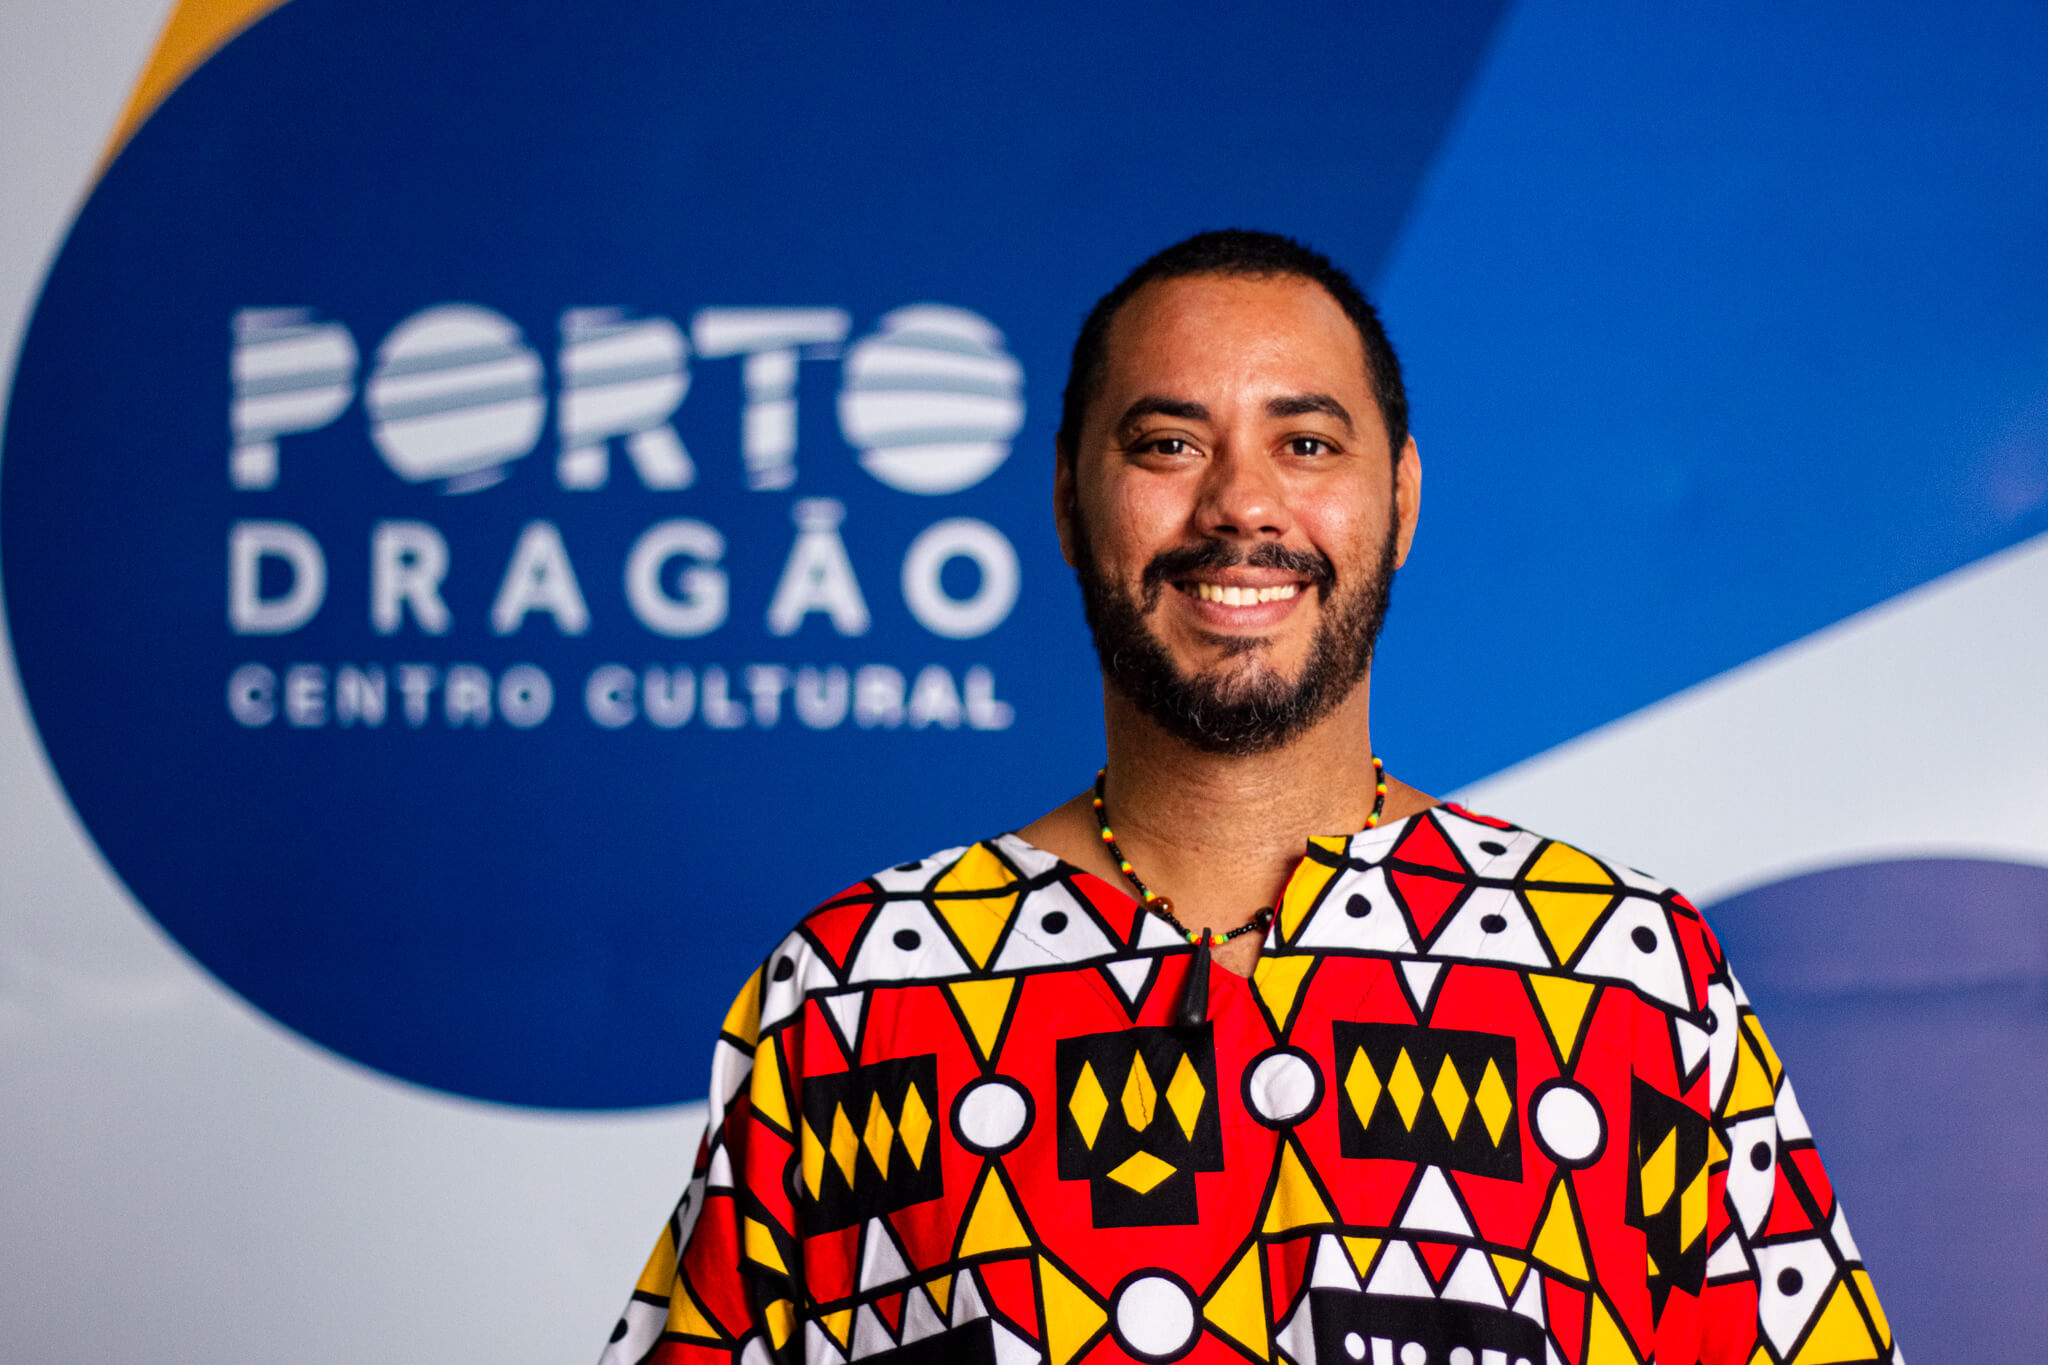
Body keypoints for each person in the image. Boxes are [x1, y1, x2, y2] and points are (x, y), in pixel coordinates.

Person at [600, 231, 1897, 1365]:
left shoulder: (1625, 976)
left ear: (1400, 501)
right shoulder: (855, 995)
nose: (1241, 505)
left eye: (1307, 441)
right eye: (1168, 443)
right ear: (1067, 503)